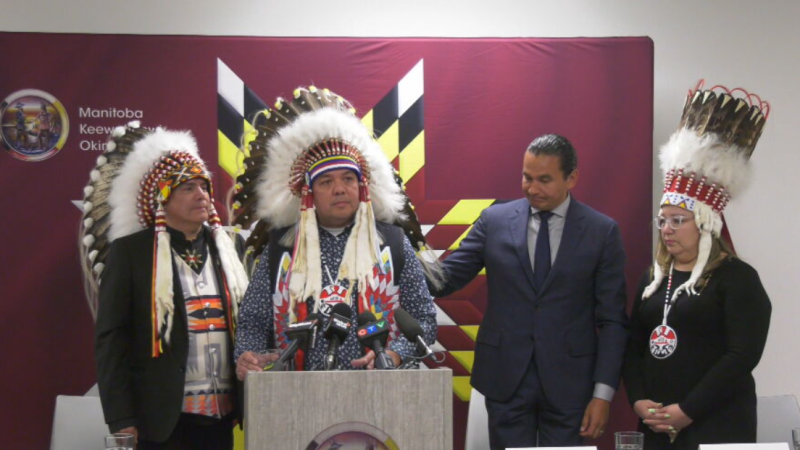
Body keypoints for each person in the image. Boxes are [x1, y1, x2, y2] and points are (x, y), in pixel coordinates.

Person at [430, 134, 629, 448]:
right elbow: (444, 279)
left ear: (572, 178)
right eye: (527, 177)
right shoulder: (493, 221)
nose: (532, 189)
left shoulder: (601, 231)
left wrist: (602, 395)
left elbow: (613, 321)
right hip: (505, 380)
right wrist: (402, 249)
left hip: (571, 385)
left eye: (545, 180)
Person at [231, 87, 438, 376]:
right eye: (326, 182)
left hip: (380, 392)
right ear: (309, 193)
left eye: (348, 179)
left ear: (362, 187)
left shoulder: (392, 242)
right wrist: (247, 356)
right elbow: (253, 321)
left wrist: (394, 354)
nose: (339, 189)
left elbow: (424, 320)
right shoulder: (282, 247)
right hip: (297, 395)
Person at [623, 82, 772, 450]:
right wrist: (639, 402)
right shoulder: (653, 278)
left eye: (678, 220)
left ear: (705, 223)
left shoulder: (736, 278)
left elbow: (741, 355)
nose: (667, 230)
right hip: (656, 425)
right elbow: (634, 345)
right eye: (663, 220)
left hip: (717, 424)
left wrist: (688, 410)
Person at [83, 124, 249, 449]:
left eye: (204, 186)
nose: (202, 195)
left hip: (222, 416)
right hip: (161, 420)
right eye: (188, 188)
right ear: (162, 197)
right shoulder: (132, 253)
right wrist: (121, 418)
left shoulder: (231, 248)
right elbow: (111, 339)